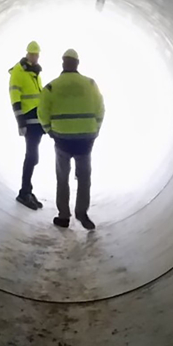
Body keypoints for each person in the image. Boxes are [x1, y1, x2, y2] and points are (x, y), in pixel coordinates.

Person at [38, 49, 104, 230]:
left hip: (62, 140)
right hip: (85, 140)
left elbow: (42, 112)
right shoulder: (90, 84)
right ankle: (82, 213)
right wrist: (95, 129)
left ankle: (64, 216)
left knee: (62, 177)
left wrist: (49, 130)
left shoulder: (52, 87)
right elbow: (100, 109)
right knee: (84, 178)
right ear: (77, 63)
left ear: (63, 63)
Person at [9, 41, 44, 210]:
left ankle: (28, 189)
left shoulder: (34, 73)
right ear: (27, 54)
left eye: (37, 55)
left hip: (36, 120)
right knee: (31, 156)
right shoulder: (19, 71)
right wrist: (20, 122)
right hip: (28, 120)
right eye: (32, 55)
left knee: (33, 157)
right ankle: (23, 193)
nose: (35, 58)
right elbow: (15, 98)